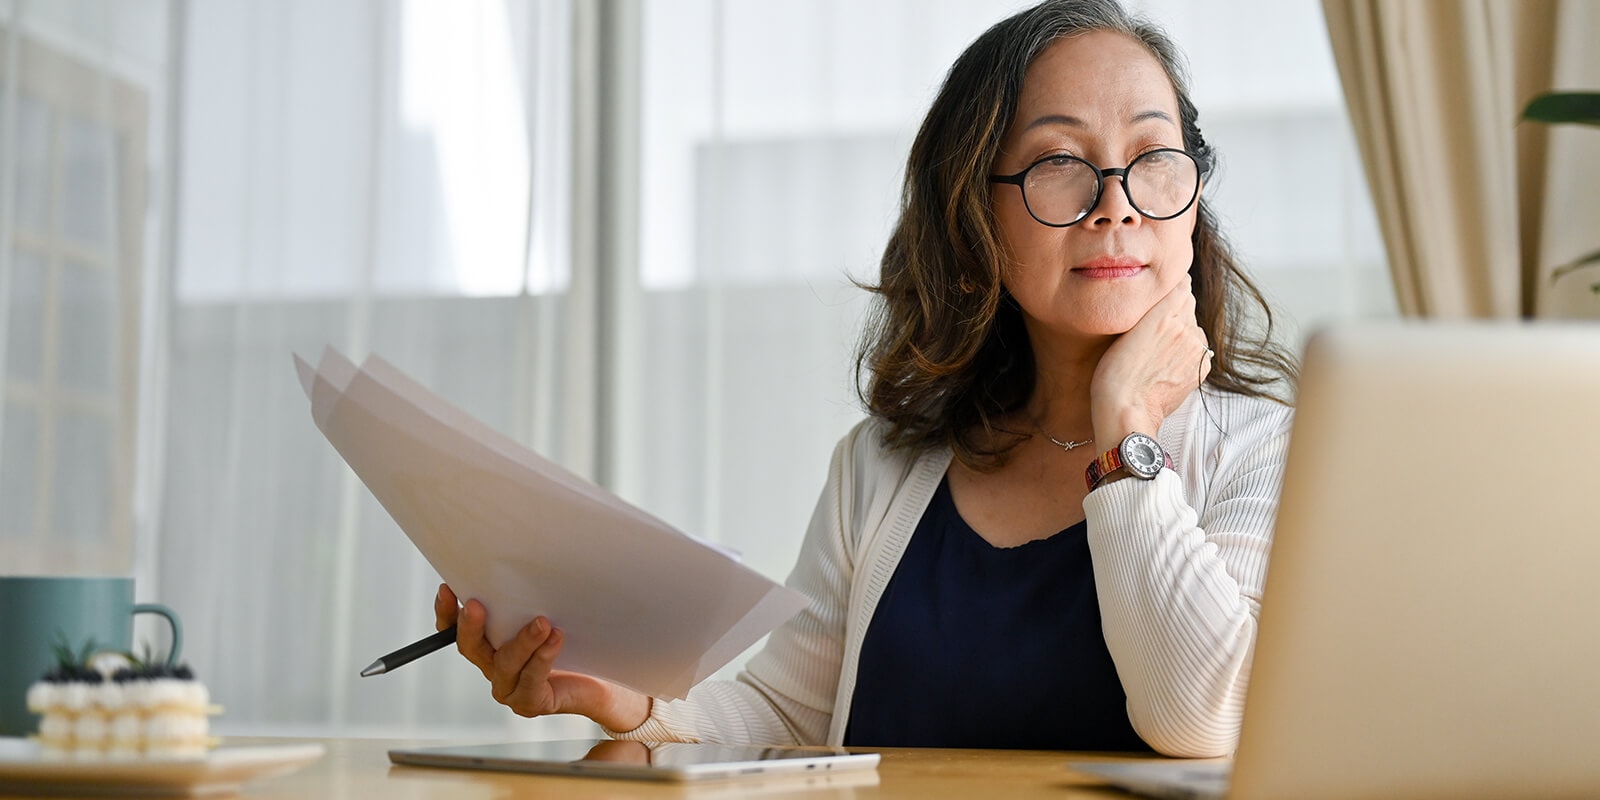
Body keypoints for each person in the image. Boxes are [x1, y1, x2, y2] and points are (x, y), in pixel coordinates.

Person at [433, 0, 1297, 758]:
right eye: (1059, 163)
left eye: (1153, 156)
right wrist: (634, 704)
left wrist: (1126, 434)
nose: (1117, 202)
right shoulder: (879, 467)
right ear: (975, 221)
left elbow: (1202, 718)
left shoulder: (1266, 451)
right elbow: (786, 714)